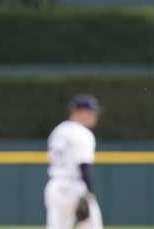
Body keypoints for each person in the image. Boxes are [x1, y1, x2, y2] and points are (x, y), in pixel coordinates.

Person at [44, 94, 103, 229]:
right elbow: (84, 166)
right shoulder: (82, 133)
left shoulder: (58, 130)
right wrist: (89, 194)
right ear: (82, 112)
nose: (95, 116)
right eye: (92, 112)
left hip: (54, 186)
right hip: (74, 187)